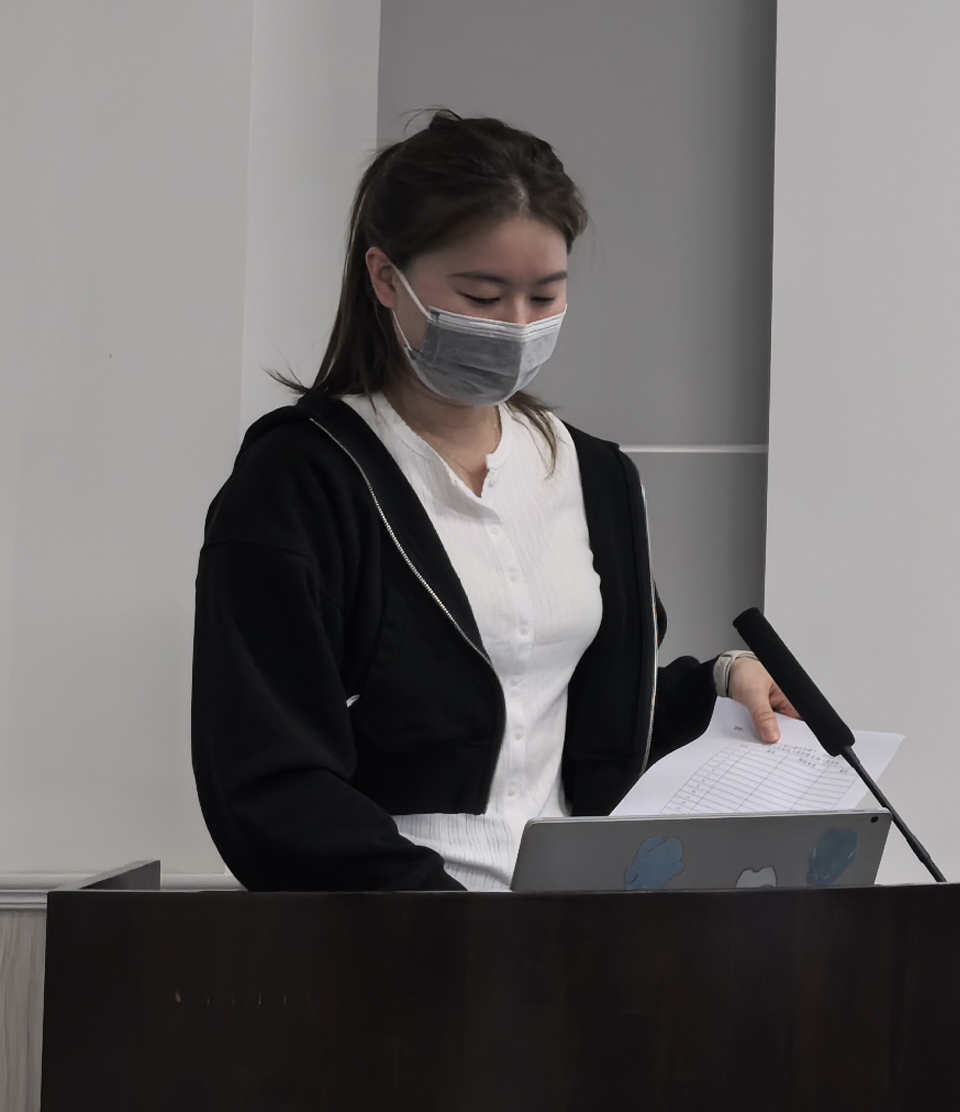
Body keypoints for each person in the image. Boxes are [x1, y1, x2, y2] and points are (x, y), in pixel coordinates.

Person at [191, 110, 799, 890]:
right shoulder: (300, 481)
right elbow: (266, 778)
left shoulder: (595, 476)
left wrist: (719, 685)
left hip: (571, 924)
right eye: (482, 295)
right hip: (384, 930)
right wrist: (447, 922)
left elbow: (571, 721)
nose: (516, 327)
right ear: (386, 278)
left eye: (545, 296)